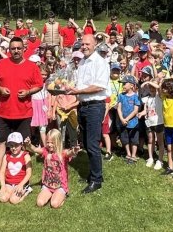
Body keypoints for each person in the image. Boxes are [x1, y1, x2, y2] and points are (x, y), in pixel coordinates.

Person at [0, 37, 43, 187]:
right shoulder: (1, 64)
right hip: (4, 112)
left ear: (23, 49)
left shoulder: (32, 66)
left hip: (24, 113)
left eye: (18, 48)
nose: (16, 50)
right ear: (9, 50)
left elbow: (40, 85)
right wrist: (0, 89)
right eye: (13, 48)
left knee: (24, 144)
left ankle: (22, 175)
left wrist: (29, 92)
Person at [67, 33, 110, 192]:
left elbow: (99, 86)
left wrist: (79, 91)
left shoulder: (101, 62)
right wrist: (70, 88)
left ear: (95, 45)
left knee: (92, 143)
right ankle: (92, 174)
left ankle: (96, 180)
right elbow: (80, 85)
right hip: (83, 106)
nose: (84, 47)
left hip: (94, 106)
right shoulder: (83, 62)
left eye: (87, 44)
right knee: (85, 141)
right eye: (82, 44)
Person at [30, 129, 76, 208]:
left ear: (58, 142)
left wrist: (73, 151)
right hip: (48, 185)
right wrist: (28, 144)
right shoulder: (45, 151)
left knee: (54, 204)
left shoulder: (63, 153)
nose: (49, 145)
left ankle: (63, 195)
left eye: (52, 143)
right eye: (48, 142)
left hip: (60, 186)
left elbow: (69, 153)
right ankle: (51, 194)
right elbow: (34, 149)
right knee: (39, 203)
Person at [0, 132, 32, 204]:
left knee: (13, 200)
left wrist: (21, 185)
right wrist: (3, 185)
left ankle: (26, 190)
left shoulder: (25, 155)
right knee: (3, 198)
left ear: (21, 144)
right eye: (11, 145)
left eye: (16, 145)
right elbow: (2, 172)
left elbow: (29, 173)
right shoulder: (7, 155)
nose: (13, 148)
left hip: (20, 183)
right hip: (9, 183)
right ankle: (11, 190)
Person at [116, 74, 142, 164]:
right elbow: (119, 108)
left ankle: (133, 155)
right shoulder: (121, 96)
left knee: (134, 140)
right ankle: (128, 153)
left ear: (131, 85)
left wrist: (126, 119)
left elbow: (136, 110)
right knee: (124, 139)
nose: (123, 85)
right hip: (123, 122)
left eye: (124, 84)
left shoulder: (135, 96)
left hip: (133, 123)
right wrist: (122, 119)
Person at [140, 80, 165, 170]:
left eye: (153, 87)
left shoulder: (159, 96)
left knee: (160, 141)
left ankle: (160, 160)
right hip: (149, 122)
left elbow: (159, 88)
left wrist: (148, 82)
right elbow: (145, 110)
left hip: (159, 122)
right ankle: (150, 158)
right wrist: (142, 113)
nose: (151, 89)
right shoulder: (147, 98)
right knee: (150, 140)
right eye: (150, 88)